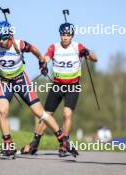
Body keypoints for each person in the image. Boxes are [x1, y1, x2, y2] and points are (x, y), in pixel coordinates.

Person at [0, 21, 76, 156]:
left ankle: (62, 139)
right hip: (5, 82)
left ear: (10, 35)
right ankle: (8, 144)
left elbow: (34, 49)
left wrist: (41, 60)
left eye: (4, 38)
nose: (1, 41)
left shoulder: (20, 44)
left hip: (21, 80)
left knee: (40, 113)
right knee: (2, 111)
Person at [21, 22, 98, 156]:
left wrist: (88, 52)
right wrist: (43, 63)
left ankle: (64, 144)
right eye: (63, 34)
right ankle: (35, 143)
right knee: (45, 115)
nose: (65, 37)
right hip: (57, 85)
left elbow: (95, 59)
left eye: (68, 35)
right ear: (60, 35)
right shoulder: (54, 47)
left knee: (67, 114)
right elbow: (46, 58)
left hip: (73, 86)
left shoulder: (77, 47)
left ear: (72, 35)